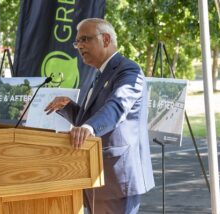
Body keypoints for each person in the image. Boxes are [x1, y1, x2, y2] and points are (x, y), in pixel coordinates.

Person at [44, 18, 154, 214]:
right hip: (94, 174)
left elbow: (117, 106)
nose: (79, 46)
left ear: (105, 39)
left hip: (117, 177)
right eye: (77, 42)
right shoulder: (99, 73)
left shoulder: (128, 70)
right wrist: (69, 107)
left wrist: (89, 128)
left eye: (85, 39)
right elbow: (92, 116)